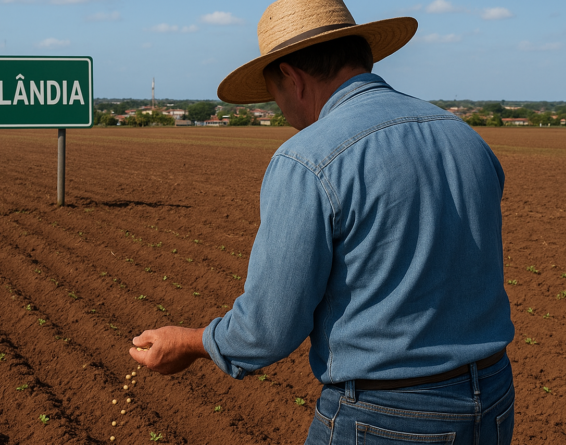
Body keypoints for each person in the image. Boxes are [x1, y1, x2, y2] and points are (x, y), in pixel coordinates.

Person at [130, 0, 516, 443]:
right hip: (492, 397)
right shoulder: (464, 137)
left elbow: (268, 329)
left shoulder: (309, 158)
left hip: (388, 414)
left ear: (292, 79)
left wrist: (192, 342)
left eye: (274, 96)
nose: (282, 112)